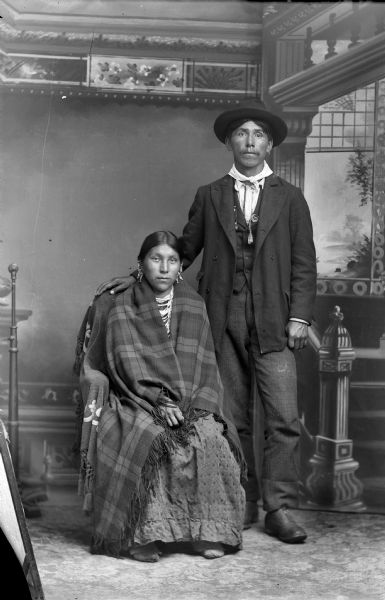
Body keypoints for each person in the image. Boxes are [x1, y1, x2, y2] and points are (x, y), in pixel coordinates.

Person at [95, 104, 317, 544]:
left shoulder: (290, 197)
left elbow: (304, 263)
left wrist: (299, 317)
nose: (250, 141)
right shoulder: (210, 194)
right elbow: (184, 249)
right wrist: (139, 274)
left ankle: (280, 507)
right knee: (231, 416)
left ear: (269, 144)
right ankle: (241, 500)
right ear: (229, 143)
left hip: (275, 317)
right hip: (221, 316)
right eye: (241, 134)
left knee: (284, 417)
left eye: (258, 135)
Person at [74, 231, 246, 562]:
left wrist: (189, 405)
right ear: (141, 265)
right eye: (156, 259)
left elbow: (204, 366)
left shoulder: (194, 304)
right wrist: (157, 400)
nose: (164, 268)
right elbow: (122, 364)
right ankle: (142, 536)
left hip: (190, 399)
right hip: (136, 398)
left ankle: (208, 531)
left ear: (181, 267)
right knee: (146, 436)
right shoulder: (122, 305)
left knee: (210, 437)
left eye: (172, 260)